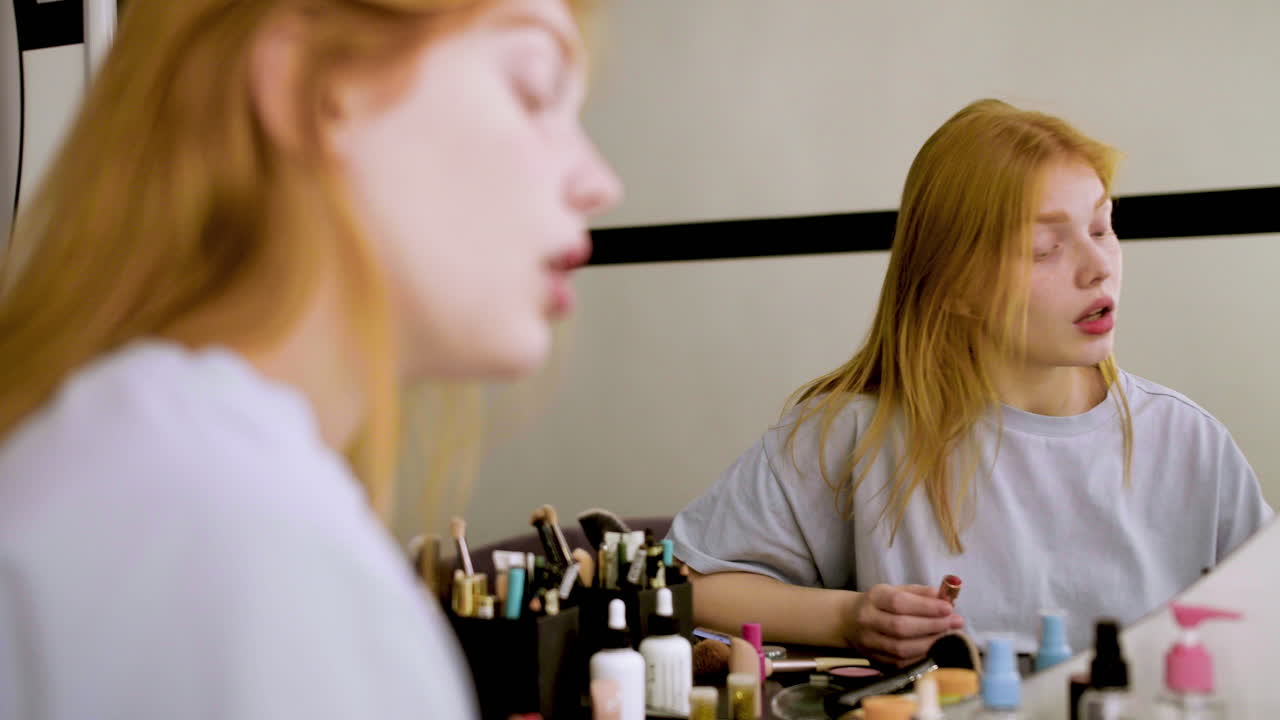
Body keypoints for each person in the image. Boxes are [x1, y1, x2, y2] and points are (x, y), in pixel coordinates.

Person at [0, 0, 621, 717]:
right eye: (535, 90)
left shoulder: (145, 464)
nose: (599, 181)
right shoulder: (226, 527)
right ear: (312, 86)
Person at [667, 99, 1271, 666]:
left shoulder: (1189, 443)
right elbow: (689, 586)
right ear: (954, 286)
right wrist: (849, 617)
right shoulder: (853, 434)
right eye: (1045, 248)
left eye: (1102, 227)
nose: (1099, 267)